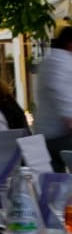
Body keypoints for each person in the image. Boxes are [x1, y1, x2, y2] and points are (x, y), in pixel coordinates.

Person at [35, 26, 72, 172]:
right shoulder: (60, 61)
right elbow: (59, 91)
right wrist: (69, 118)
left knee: (56, 179)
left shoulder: (55, 60)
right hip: (58, 135)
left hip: (51, 133)